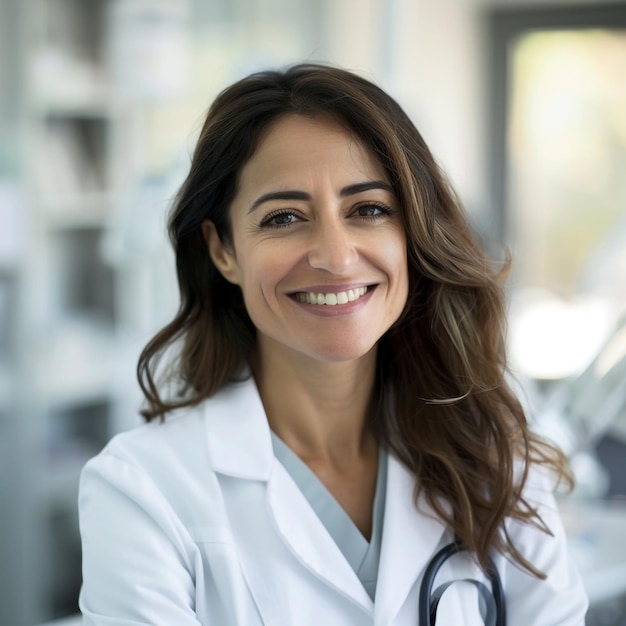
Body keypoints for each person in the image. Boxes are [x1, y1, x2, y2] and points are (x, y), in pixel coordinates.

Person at [78, 63, 588, 625]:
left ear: (412, 233)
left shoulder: (497, 459)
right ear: (222, 249)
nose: (336, 256)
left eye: (368, 210)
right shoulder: (143, 490)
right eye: (284, 217)